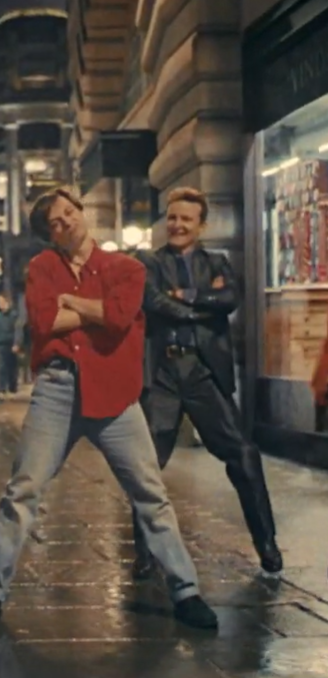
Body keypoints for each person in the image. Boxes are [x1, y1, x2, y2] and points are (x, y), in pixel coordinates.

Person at [0, 186, 218, 630]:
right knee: (23, 489)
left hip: (115, 393)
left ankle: (186, 591)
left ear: (80, 211)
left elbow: (120, 317)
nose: (66, 222)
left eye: (68, 212)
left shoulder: (126, 267)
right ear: (50, 234)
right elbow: (44, 321)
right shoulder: (42, 267)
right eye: (55, 222)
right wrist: (94, 311)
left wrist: (73, 304)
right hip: (57, 389)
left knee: (150, 493)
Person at [132, 187, 281, 578]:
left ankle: (267, 543)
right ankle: (145, 553)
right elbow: (153, 301)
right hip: (163, 373)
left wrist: (185, 296)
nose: (177, 225)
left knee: (243, 454)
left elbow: (229, 299)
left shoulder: (217, 262)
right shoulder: (147, 262)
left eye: (186, 219)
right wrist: (200, 308)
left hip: (204, 371)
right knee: (146, 465)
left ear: (202, 225)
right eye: (172, 217)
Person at [0, 293, 22, 402]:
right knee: (1, 367)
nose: (1, 304)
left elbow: (18, 329)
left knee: (12, 368)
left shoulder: (14, 315)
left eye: (3, 302)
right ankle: (1, 390)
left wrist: (17, 343)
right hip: (0, 345)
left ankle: (12, 387)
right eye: (0, 302)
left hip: (11, 345)